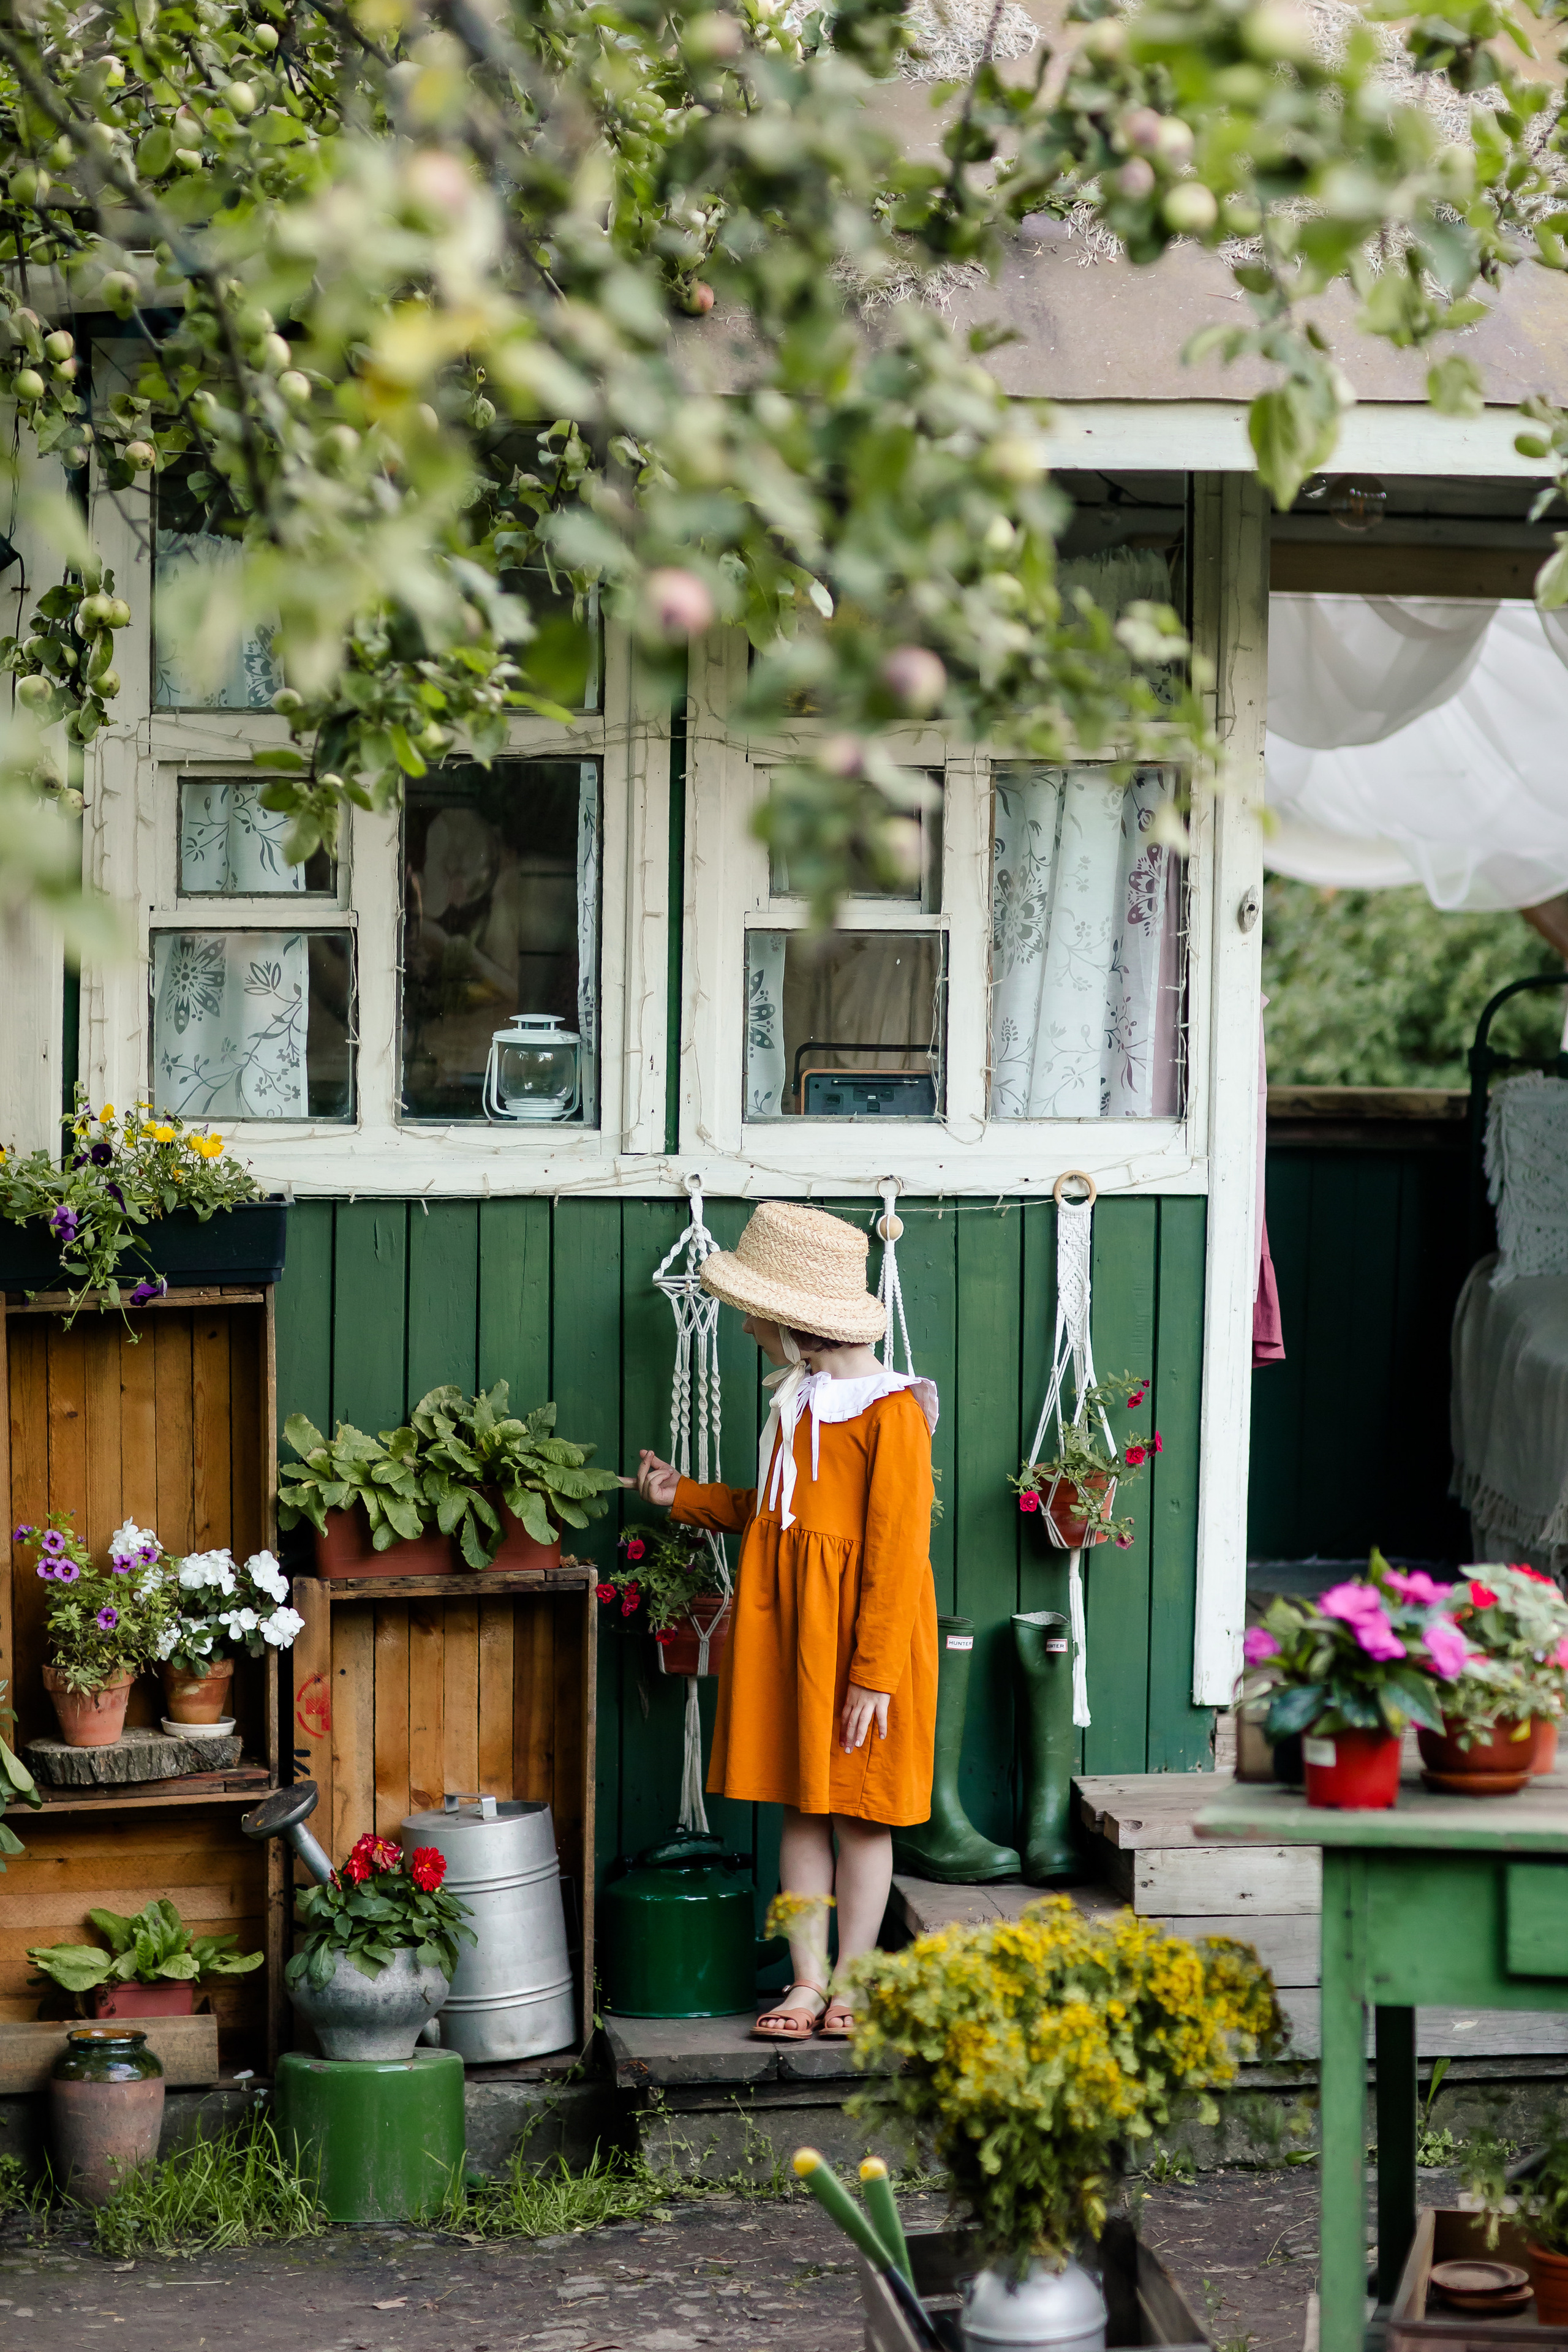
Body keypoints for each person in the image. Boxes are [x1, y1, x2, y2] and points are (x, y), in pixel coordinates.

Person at [633, 1200, 938, 2040]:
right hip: (790, 1636)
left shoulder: (892, 1412)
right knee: (801, 1810)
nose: (749, 1335)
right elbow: (777, 1516)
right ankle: (805, 1983)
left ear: (797, 1327)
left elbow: (896, 1553)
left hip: (859, 1644)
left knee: (860, 1814)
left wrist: (874, 1672)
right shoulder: (799, 1401)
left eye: (756, 1322)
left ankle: (854, 1980)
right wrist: (683, 1498)